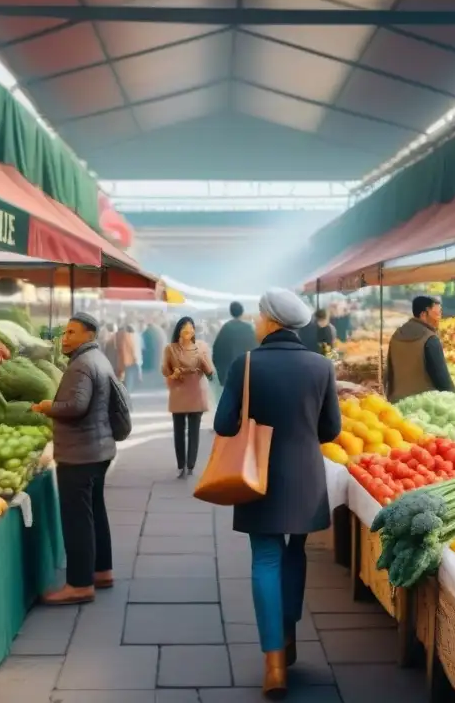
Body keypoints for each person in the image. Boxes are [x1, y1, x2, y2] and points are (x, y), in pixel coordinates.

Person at [213, 288, 341, 698]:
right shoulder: (321, 366)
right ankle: (289, 639)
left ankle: (273, 665)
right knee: (294, 554)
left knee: (265, 559)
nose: (254, 321)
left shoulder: (246, 364)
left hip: (258, 476)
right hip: (305, 475)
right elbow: (331, 431)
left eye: (258, 315)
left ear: (269, 320)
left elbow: (223, 423)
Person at [36, 313, 118, 605]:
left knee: (77, 519)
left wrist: (50, 407)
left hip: (80, 453)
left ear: (89, 335)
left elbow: (77, 406)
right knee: (95, 511)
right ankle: (101, 571)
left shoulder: (82, 365)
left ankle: (80, 585)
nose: (65, 337)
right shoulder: (98, 359)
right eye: (65, 332)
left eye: (72, 332)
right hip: (98, 449)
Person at [162, 316, 215, 477]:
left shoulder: (202, 347)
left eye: (190, 328)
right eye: (184, 328)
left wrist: (203, 362)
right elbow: (165, 370)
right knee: (178, 431)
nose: (188, 331)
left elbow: (210, 372)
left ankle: (190, 465)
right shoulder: (170, 349)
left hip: (196, 392)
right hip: (178, 392)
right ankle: (181, 465)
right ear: (179, 330)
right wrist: (174, 374)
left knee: (194, 431)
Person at [385, 295, 455, 403]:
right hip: (424, 407)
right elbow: (442, 379)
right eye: (437, 313)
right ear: (424, 314)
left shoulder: (396, 335)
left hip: (398, 403)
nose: (440, 317)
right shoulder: (430, 339)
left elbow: (389, 372)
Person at [212, 301, 258, 397]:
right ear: (242, 311)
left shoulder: (225, 328)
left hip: (229, 375)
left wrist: (221, 374)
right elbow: (257, 350)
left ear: (231, 312)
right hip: (247, 374)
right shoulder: (249, 328)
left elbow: (216, 352)